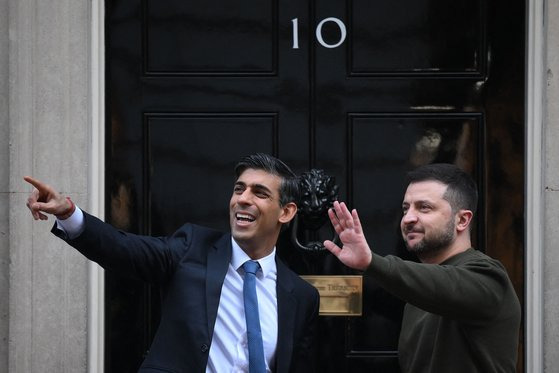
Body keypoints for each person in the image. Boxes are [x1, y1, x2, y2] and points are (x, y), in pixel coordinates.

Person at [25, 153, 319, 373]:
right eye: (239, 189)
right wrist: (69, 214)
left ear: (286, 212)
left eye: (259, 192)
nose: (242, 199)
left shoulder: (301, 296)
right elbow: (124, 249)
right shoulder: (191, 248)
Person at [323, 163, 521, 372]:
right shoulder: (416, 290)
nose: (408, 218)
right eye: (406, 208)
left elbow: (443, 285)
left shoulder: (489, 277)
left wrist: (372, 262)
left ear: (462, 220)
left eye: (424, 207)